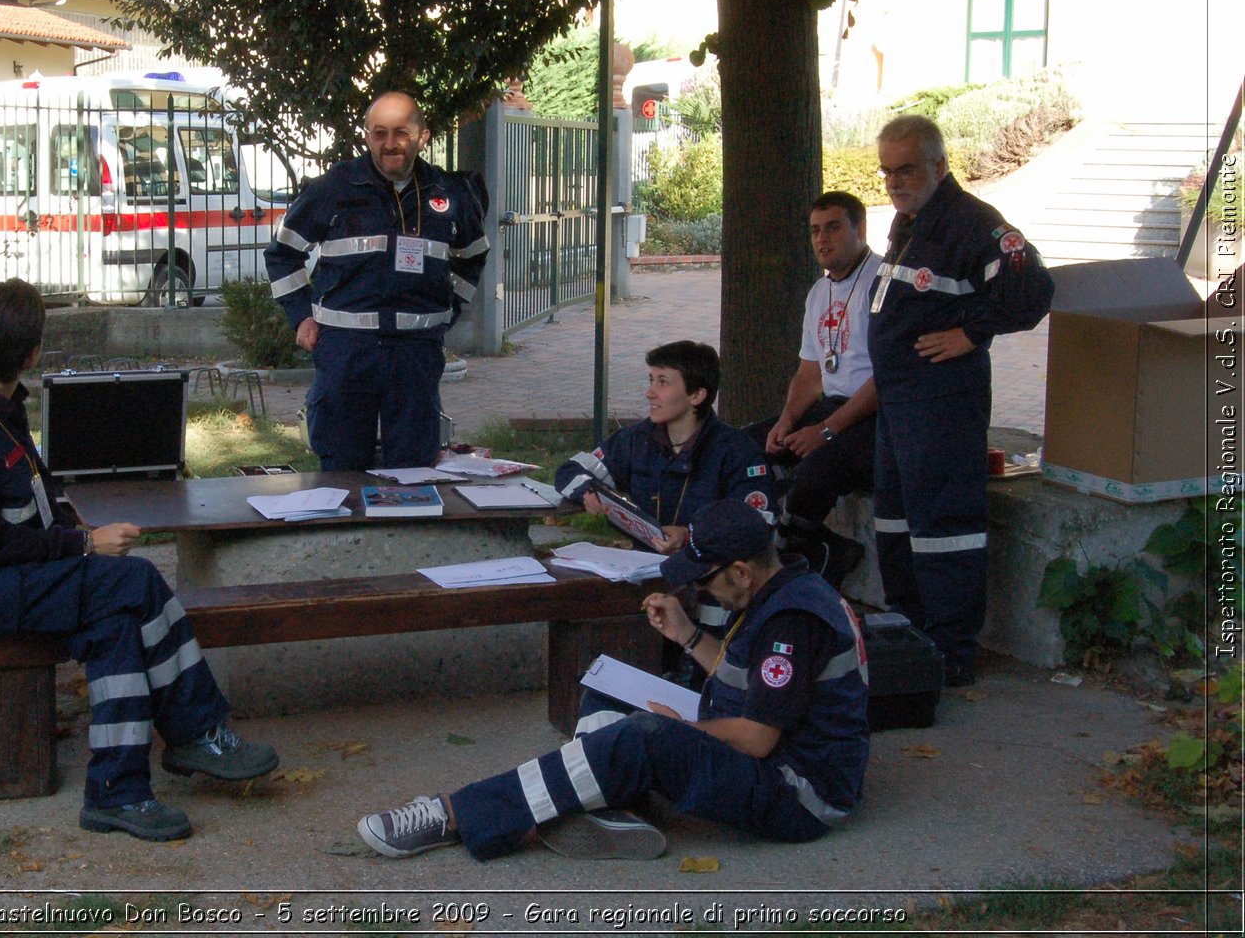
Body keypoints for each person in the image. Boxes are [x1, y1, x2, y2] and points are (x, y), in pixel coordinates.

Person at [0, 279, 277, 841]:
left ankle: (117, 794)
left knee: (115, 629)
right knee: (134, 581)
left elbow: (36, 506)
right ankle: (196, 732)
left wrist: (69, 533)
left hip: (11, 574)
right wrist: (85, 545)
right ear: (33, 353)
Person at [356, 498, 869, 861]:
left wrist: (683, 733)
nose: (701, 592)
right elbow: (748, 683)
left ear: (740, 571)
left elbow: (758, 738)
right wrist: (688, 636)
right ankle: (606, 806)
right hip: (763, 746)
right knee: (607, 682)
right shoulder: (781, 587)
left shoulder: (791, 624)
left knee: (643, 735)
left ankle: (454, 815)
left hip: (797, 795)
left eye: (704, 580)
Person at [869, 114, 1053, 687]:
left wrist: (971, 333)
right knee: (897, 523)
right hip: (898, 405)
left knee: (944, 526)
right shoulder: (912, 222)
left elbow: (1033, 290)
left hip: (941, 404)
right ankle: (909, 632)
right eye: (887, 172)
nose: (895, 182)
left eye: (906, 170)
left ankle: (950, 650)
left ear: (938, 165)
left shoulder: (974, 224)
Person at [263, 91, 488, 470]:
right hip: (346, 353)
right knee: (342, 469)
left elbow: (473, 255)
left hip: (415, 354)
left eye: (401, 132)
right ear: (367, 136)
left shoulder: (448, 194)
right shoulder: (334, 188)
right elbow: (283, 252)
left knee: (414, 469)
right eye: (379, 133)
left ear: (423, 136)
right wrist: (300, 315)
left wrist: (449, 310)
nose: (390, 144)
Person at [743, 192, 880, 587]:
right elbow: (810, 371)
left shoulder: (881, 283)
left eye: (834, 228)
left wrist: (824, 431)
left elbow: (886, 379)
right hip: (832, 407)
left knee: (815, 468)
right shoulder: (819, 292)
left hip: (873, 417)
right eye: (815, 231)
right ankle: (824, 548)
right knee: (745, 448)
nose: (822, 239)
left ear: (860, 229)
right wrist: (786, 420)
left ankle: (790, 565)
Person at [555, 340, 772, 555]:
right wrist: (588, 492)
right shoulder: (636, 439)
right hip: (642, 569)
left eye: (663, 382)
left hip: (712, 577)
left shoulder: (737, 452)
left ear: (696, 395)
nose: (649, 392)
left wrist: (690, 536)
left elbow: (756, 524)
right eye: (651, 380)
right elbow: (570, 470)